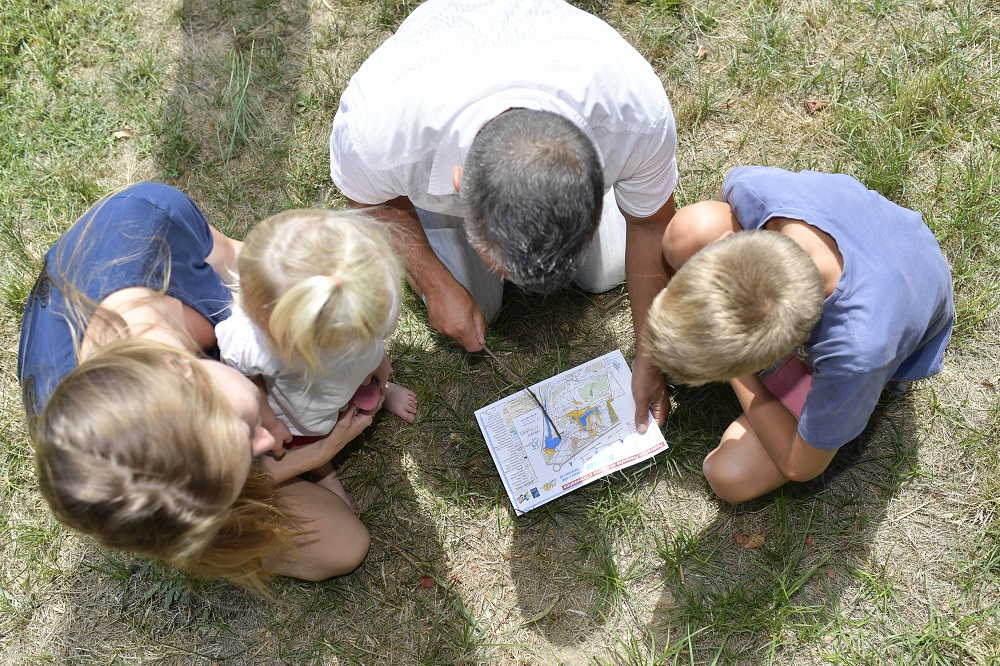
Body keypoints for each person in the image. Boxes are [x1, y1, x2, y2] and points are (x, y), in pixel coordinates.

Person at [329, 0, 678, 433]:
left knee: (607, 270)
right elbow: (366, 199)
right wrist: (434, 282)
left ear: (595, 171)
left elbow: (649, 222)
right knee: (484, 305)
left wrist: (650, 354)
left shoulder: (633, 113)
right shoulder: (379, 137)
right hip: (426, 107)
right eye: (501, 260)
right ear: (460, 186)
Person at [18, 183, 376, 587]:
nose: (268, 444)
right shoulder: (95, 453)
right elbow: (200, 509)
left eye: (246, 429)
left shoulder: (148, 219)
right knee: (341, 546)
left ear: (182, 367)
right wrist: (313, 457)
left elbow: (251, 270)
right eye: (251, 445)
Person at [643, 166, 954, 503]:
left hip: (901, 297)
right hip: (877, 254)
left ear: (785, 352)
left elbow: (800, 465)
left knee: (730, 476)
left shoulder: (856, 354)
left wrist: (735, 373)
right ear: (729, 244)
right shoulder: (755, 191)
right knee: (687, 232)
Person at [215, 209, 417, 507]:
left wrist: (379, 363)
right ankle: (323, 470)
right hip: (300, 418)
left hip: (348, 379)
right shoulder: (254, 345)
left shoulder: (358, 299)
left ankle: (382, 393)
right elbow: (239, 379)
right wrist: (270, 422)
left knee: (365, 386)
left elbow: (371, 346)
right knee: (311, 436)